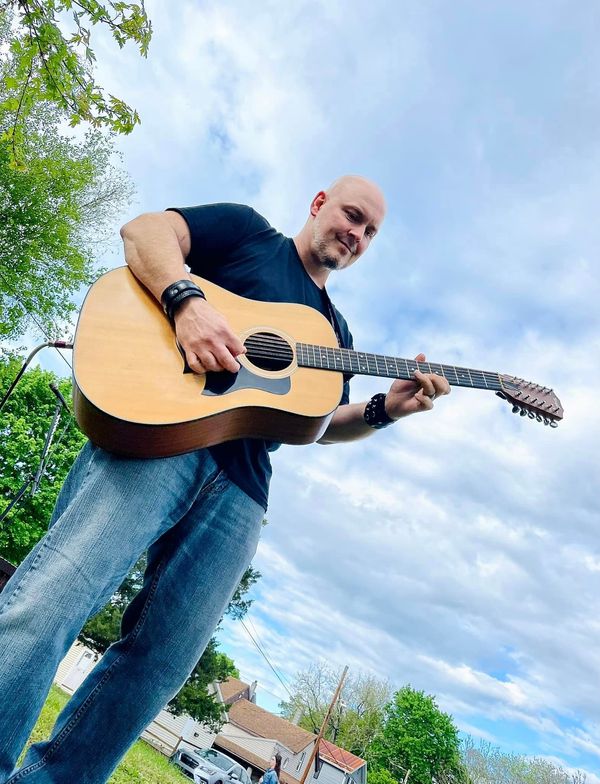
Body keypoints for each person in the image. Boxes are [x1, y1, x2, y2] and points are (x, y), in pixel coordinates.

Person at [0, 175, 450, 783]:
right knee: (55, 597)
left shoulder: (334, 334)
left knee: (160, 666)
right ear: (319, 204)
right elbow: (145, 231)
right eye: (352, 215)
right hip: (159, 439)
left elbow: (317, 422)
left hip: (241, 492)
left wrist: (383, 411)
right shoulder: (246, 233)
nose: (357, 235)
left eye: (370, 232)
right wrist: (186, 303)